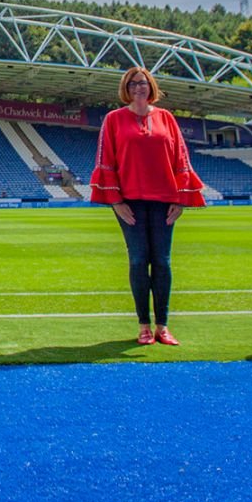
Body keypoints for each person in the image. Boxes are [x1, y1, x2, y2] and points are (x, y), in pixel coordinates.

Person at [90, 66, 205, 346]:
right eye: (132, 84)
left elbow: (181, 158)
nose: (138, 88)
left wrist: (181, 199)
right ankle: (144, 325)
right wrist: (116, 201)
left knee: (162, 263)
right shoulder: (114, 119)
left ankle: (162, 326)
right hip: (131, 202)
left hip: (164, 201)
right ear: (125, 89)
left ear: (151, 86)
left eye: (142, 83)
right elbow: (106, 159)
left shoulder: (166, 118)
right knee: (139, 261)